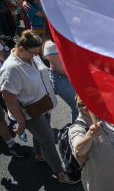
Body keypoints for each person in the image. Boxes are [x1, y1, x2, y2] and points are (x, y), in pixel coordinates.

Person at [0, 30, 77, 184]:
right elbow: (8, 97)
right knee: (48, 141)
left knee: (41, 136)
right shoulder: (11, 69)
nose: (37, 56)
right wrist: (21, 121)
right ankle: (61, 174)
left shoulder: (31, 56)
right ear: (21, 49)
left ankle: (39, 154)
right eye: (34, 53)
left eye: (38, 52)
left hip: (43, 105)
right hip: (31, 113)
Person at [69, 96, 114, 191]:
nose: (85, 108)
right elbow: (78, 150)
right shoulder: (77, 128)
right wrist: (90, 135)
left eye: (89, 103)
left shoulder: (105, 115)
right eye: (81, 105)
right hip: (104, 186)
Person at [43, 25, 78, 123]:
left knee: (81, 108)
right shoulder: (50, 45)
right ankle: (76, 133)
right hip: (63, 80)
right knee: (78, 108)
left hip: (72, 76)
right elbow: (60, 69)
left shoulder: (66, 38)